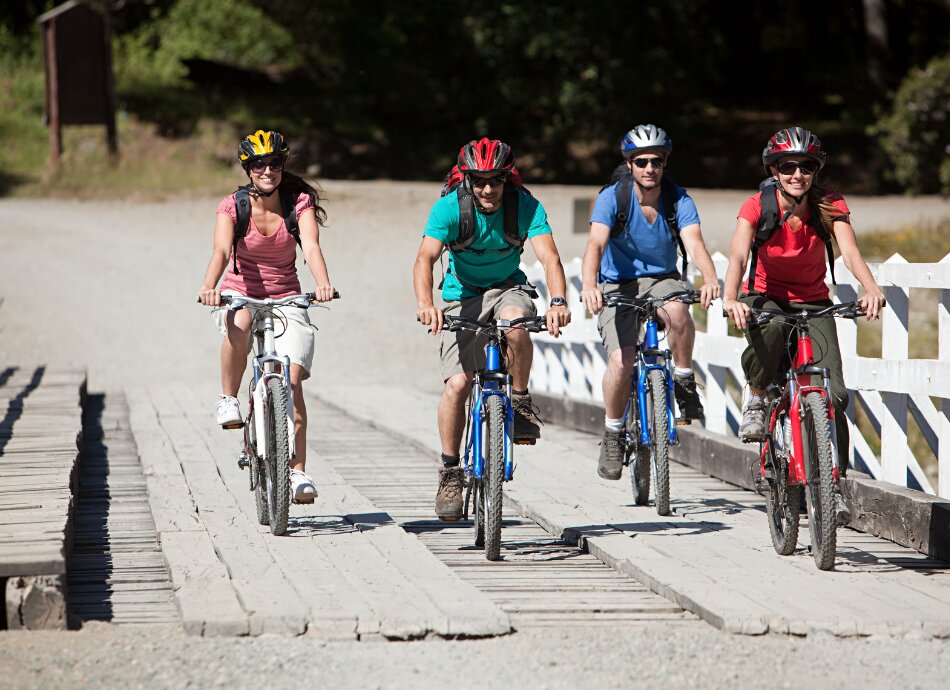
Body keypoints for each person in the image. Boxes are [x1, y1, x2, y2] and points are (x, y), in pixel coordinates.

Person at [721, 126, 885, 522]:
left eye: (806, 166)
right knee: (773, 329)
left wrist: (871, 287)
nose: (798, 174)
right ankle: (759, 394)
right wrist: (730, 298)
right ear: (774, 169)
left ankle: (835, 485)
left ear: (816, 169)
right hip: (765, 296)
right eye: (788, 166)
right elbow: (739, 257)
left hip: (813, 300)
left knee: (835, 396)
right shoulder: (756, 206)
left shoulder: (829, 203)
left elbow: (849, 251)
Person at [414, 137, 572, 521]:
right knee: (457, 385)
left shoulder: (524, 206)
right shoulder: (450, 208)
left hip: (507, 287)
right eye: (479, 181)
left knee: (516, 321)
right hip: (460, 294)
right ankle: (450, 471)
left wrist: (557, 301)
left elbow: (550, 257)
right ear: (467, 180)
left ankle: (518, 402)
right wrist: (426, 304)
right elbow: (425, 258)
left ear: (507, 179)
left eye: (496, 181)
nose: (488, 190)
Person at [197, 129, 336, 504]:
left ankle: (298, 473)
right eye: (259, 164)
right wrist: (209, 286)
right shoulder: (233, 206)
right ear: (248, 168)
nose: (267, 170)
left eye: (274, 163)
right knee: (239, 321)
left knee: (291, 383)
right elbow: (221, 251)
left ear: (282, 166)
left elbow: (311, 246)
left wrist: (323, 284)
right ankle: (228, 398)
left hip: (287, 296)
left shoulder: (298, 203)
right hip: (240, 293)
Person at [581, 124, 719, 481]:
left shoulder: (678, 199)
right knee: (621, 359)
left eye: (656, 161)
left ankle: (684, 380)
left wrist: (711, 278)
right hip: (617, 285)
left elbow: (695, 245)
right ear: (629, 164)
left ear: (665, 162)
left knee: (677, 312)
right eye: (641, 161)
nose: (649, 168)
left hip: (662, 279)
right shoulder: (613, 197)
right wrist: (589, 284)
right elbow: (595, 244)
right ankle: (612, 433)